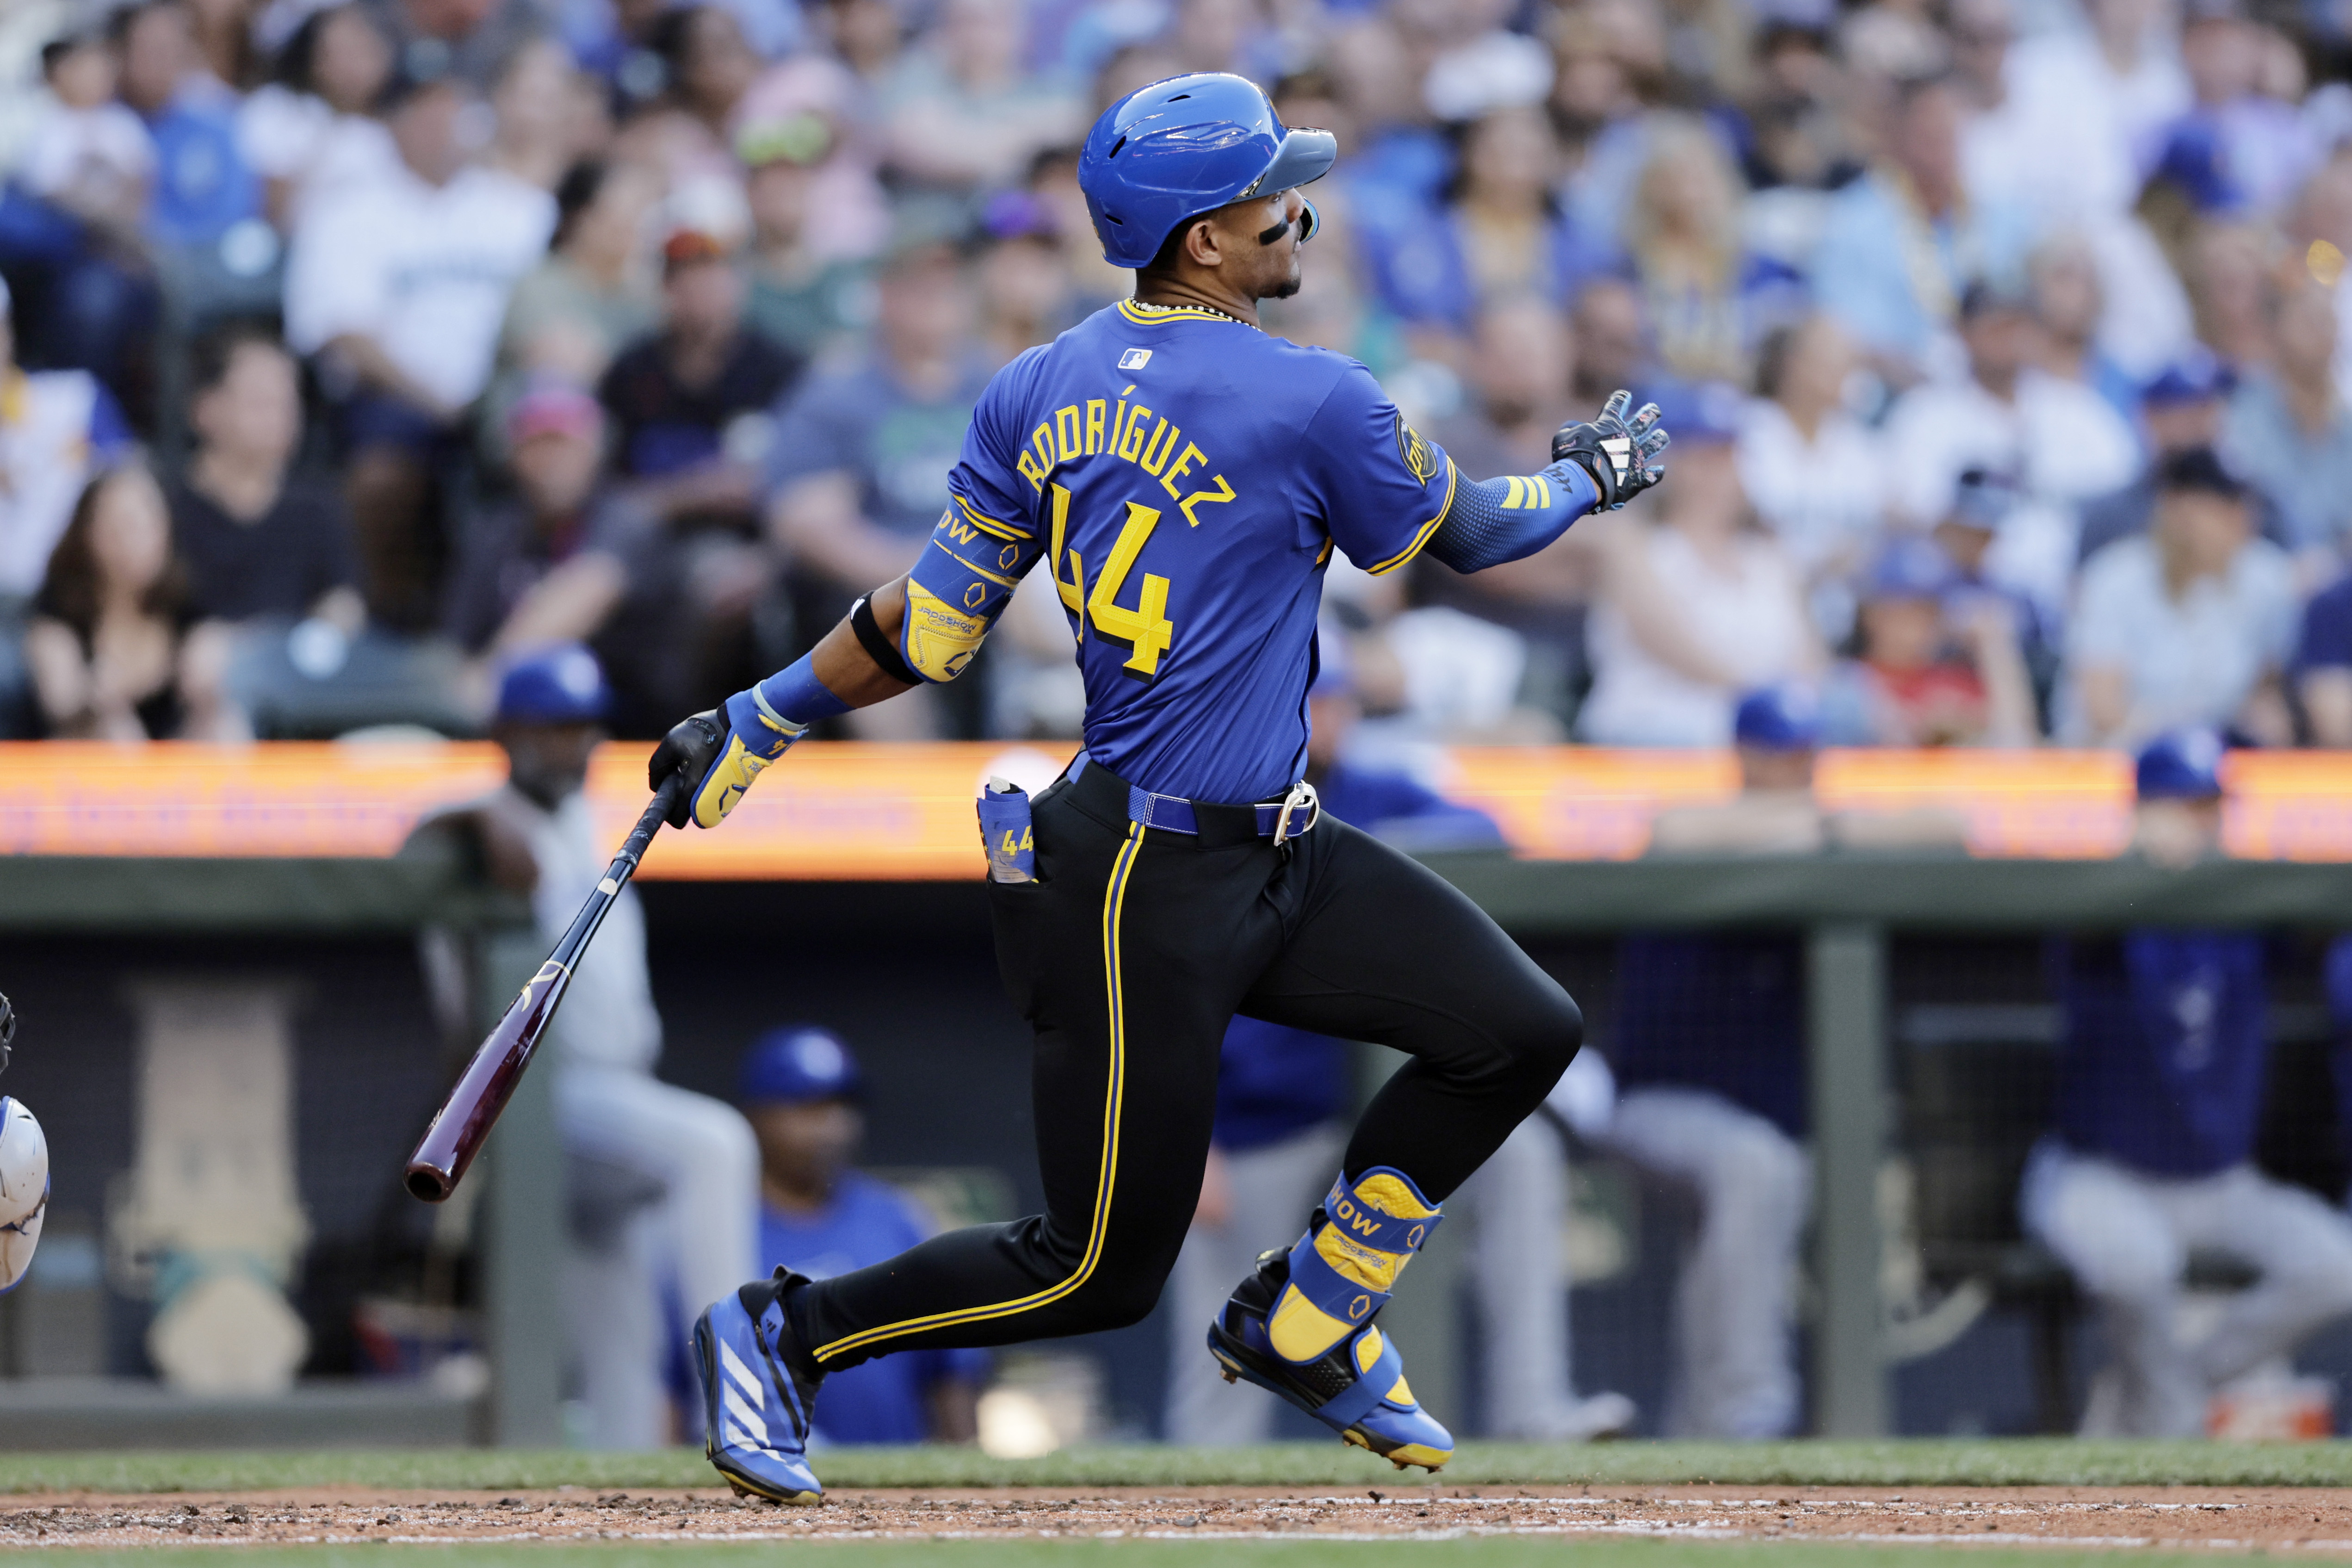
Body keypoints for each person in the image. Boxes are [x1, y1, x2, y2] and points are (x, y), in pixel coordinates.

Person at [646, 71, 1667, 1502]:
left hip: (1268, 850)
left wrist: (764, 710)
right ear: (1200, 238)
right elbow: (1484, 535)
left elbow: (925, 630)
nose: (1296, 208)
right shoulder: (1314, 394)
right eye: (1269, 193)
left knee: (1515, 1029)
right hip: (1138, 874)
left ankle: (1308, 1314)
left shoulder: (1036, 382)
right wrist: (1592, 475)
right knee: (1094, 1267)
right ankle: (786, 1328)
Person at [1163, 652, 1633, 1445]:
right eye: (1308, 699)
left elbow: (1487, 833)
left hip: (1390, 1111)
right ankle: (1205, 1456)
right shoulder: (1208, 804)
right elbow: (1164, 996)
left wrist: (1375, 851)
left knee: (1519, 1158)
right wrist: (1186, 1140)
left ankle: (1537, 1409)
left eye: (1334, 701)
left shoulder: (1373, 792)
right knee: (1220, 1312)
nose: (1322, 717)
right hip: (1255, 1121)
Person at [415, 645, 758, 1446]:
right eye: (551, 728)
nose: (571, 745)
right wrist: (471, 814)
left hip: (612, 1102)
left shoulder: (577, 813)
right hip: (538, 1099)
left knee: (619, 1349)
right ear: (506, 731)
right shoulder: (472, 825)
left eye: (581, 728)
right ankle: (745, 1405)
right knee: (716, 1144)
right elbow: (409, 834)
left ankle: (623, 1502)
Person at [2023, 728, 2352, 1437]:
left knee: (2335, 1268)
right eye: (2181, 804)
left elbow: (2320, 918)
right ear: (2141, 806)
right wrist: (2135, 856)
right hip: (2100, 1175)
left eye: (2210, 806)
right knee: (2138, 1268)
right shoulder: (2106, 904)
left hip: (2220, 1183)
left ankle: (2160, 1393)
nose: (2198, 822)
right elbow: (2076, 927)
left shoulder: (2247, 910)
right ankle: (2163, 1409)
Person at [283, 71, 557, 628]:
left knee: (561, 452)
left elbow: (557, 304)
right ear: (392, 123)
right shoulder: (350, 209)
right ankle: (383, 622)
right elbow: (342, 332)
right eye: (422, 111)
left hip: (505, 395)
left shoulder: (517, 208)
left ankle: (518, 625)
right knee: (380, 477)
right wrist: (437, 401)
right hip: (395, 395)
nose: (439, 127)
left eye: (450, 110)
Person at [739, 1026, 986, 1444]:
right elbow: (674, 1377)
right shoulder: (726, 1224)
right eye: (808, 1107)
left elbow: (948, 1367)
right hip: (759, 1486)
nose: (832, 1127)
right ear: (757, 1117)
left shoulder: (896, 1219)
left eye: (841, 1106)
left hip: (892, 1485)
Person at [1576, 381, 1819, 746]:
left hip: (1758, 738)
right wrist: (1769, 703)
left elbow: (1810, 656)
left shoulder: (1768, 557)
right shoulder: (1637, 547)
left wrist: (1799, 703)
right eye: (1702, 457)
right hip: (1652, 729)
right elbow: (1676, 648)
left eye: (1728, 455)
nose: (1717, 473)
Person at [444, 380, 691, 737]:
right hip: (524, 737)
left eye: (565, 445)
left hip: (634, 733)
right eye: (536, 446)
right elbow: (459, 642)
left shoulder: (627, 517)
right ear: (512, 456)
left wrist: (488, 677)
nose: (551, 462)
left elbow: (589, 589)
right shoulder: (496, 532)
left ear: (595, 451)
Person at [2062, 448, 2294, 747]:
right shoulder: (2115, 578)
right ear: (2174, 511)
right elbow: (2103, 709)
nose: (2240, 521)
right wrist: (2194, 738)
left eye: (2243, 507)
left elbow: (2269, 684)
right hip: (2120, 760)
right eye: (2220, 508)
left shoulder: (2265, 577)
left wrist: (2263, 716)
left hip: (2220, 764)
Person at [598, 229, 799, 534]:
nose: (700, 290)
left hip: (748, 535)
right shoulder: (631, 371)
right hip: (647, 533)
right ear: (665, 289)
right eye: (685, 279)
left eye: (712, 276)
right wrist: (693, 494)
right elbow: (611, 486)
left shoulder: (779, 368)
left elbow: (800, 481)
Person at [24, 465, 243, 740]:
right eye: (120, 526)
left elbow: (224, 663)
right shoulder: (59, 611)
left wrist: (209, 687)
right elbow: (60, 702)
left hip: (177, 769)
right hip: (79, 770)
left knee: (226, 726)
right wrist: (94, 699)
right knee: (116, 733)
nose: (134, 541)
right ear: (88, 535)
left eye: (147, 525)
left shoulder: (192, 606)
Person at [167, 327, 362, 629]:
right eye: (260, 401)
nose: (280, 416)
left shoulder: (316, 508)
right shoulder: (166, 510)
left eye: (288, 401)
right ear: (203, 410)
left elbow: (344, 600)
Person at [1818, 536, 2037, 747]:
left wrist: (1994, 645)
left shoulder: (1956, 681)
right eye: (1904, 610)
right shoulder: (1848, 682)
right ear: (1871, 615)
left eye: (1928, 611)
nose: (1917, 626)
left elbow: (2019, 744)